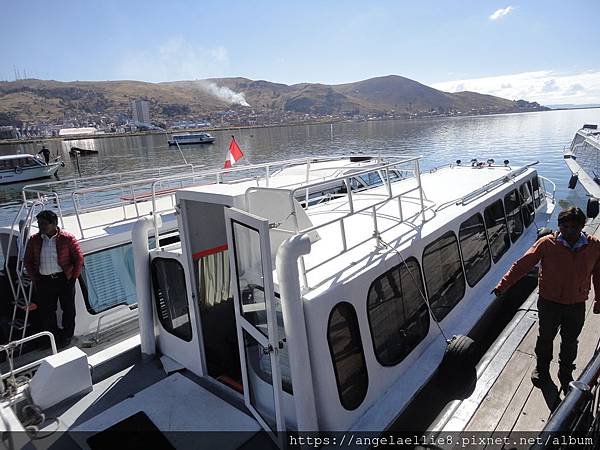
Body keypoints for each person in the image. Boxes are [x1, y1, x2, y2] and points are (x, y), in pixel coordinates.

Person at [493, 206, 600, 393]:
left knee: (570, 341)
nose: (569, 231)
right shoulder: (546, 243)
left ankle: (565, 373)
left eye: (574, 227)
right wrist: (503, 285)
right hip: (549, 302)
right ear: (559, 226)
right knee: (545, 338)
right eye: (564, 226)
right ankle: (542, 370)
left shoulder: (594, 246)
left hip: (576, 304)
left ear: (582, 226)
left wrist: (599, 299)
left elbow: (598, 274)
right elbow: (523, 265)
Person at [24, 210, 84, 348]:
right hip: (44, 280)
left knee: (68, 309)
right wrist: (35, 278)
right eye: (39, 223)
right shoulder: (34, 240)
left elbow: (79, 259)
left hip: (64, 279)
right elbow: (28, 260)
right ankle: (53, 337)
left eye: (44, 224)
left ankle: (67, 336)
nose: (41, 227)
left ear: (54, 223)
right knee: (47, 311)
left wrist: (73, 278)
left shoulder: (67, 238)